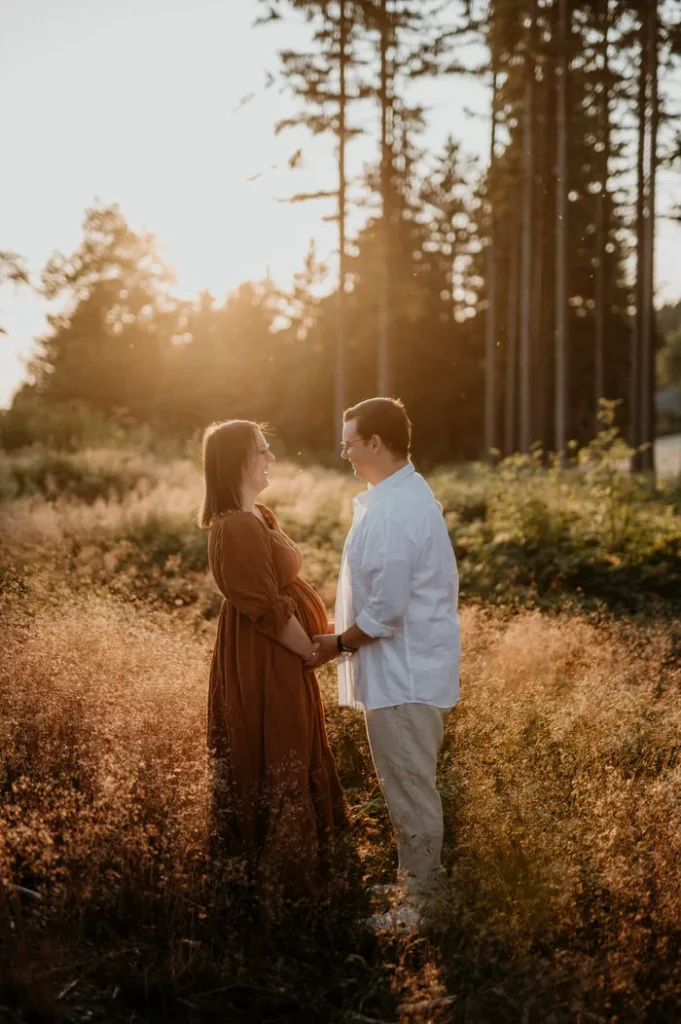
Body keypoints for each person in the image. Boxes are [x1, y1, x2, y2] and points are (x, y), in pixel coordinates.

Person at [307, 398, 460, 933]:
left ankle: (422, 909)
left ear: (376, 443)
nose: (344, 452)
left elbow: (387, 609)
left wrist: (336, 644)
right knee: (406, 784)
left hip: (405, 676)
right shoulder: (394, 498)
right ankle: (413, 881)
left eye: (349, 442)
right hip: (404, 673)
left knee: (412, 788)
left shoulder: (396, 509)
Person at [199, 419, 348, 905]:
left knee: (293, 740)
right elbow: (265, 609)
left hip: (280, 654)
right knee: (278, 744)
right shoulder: (237, 526)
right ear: (240, 460)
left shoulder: (257, 514)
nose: (271, 458)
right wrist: (309, 649)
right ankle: (283, 882)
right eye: (263, 450)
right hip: (267, 658)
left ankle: (306, 872)